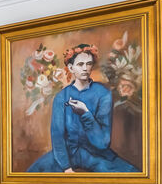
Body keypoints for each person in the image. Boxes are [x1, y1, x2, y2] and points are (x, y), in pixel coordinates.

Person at [27, 43, 138, 173]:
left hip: (97, 155)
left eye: (89, 64)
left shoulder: (103, 93)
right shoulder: (61, 97)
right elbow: (57, 137)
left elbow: (102, 143)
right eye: (80, 64)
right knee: (33, 173)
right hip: (67, 155)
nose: (85, 68)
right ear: (71, 67)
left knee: (131, 174)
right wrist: (66, 168)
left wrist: (85, 113)